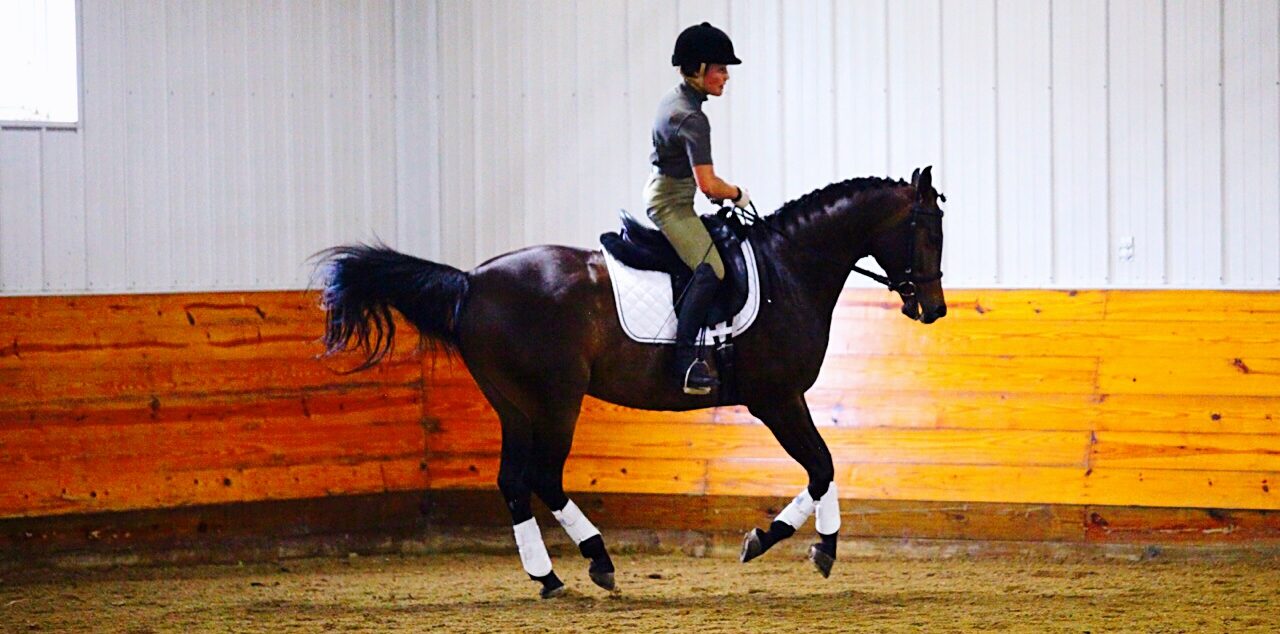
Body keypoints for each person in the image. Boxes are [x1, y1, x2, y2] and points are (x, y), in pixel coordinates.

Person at [647, 22, 751, 395]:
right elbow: (709, 185)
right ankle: (685, 362)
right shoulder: (692, 117)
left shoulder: (678, 100)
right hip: (671, 203)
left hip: (672, 194)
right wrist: (738, 193)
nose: (725, 77)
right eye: (721, 69)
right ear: (700, 68)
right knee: (711, 269)